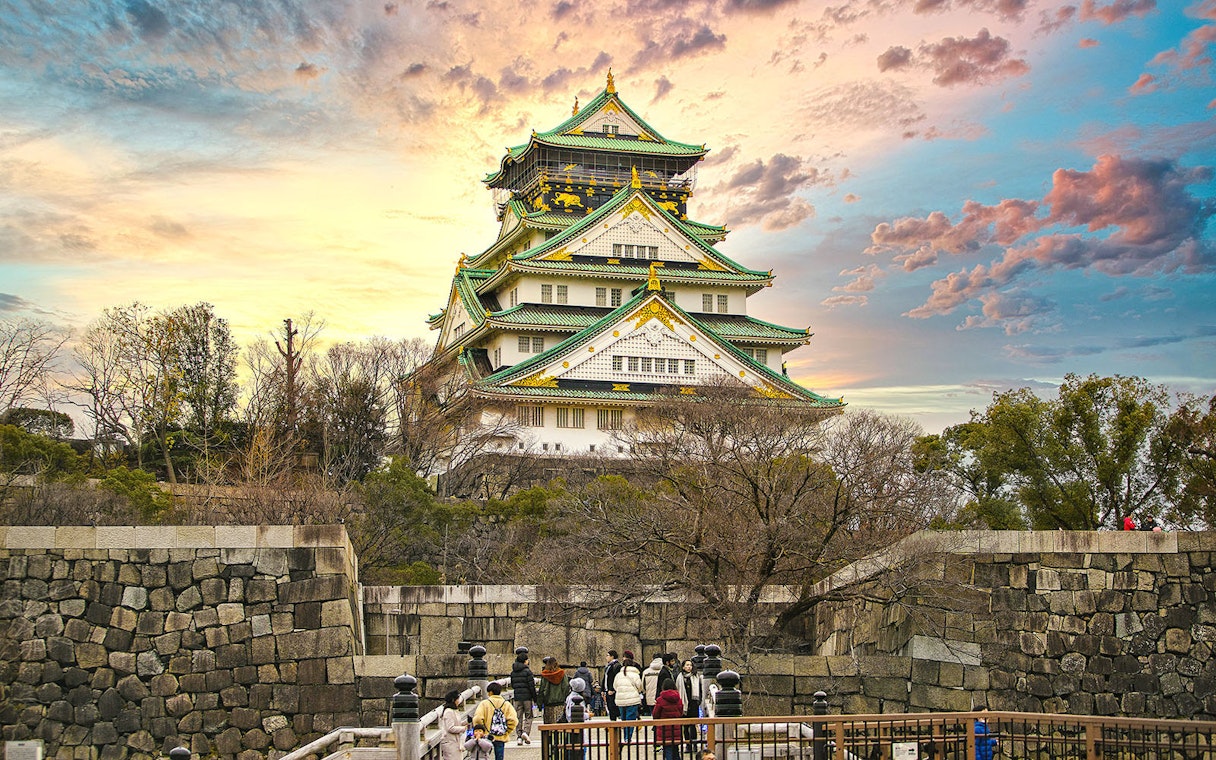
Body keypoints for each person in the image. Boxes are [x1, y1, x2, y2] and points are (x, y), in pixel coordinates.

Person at [473, 682, 518, 760]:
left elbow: (478, 718)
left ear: (490, 692)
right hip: (501, 735)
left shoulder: (484, 704)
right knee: (499, 757)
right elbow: (513, 720)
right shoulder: (506, 704)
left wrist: (481, 731)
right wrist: (507, 731)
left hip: (487, 736)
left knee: (484, 756)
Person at [613, 651, 644, 741]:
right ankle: (628, 737)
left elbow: (615, 686)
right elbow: (640, 687)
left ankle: (625, 736)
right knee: (630, 719)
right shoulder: (635, 675)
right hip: (632, 700)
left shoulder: (618, 675)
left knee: (623, 719)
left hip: (621, 700)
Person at [651, 678, 684, 760]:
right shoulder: (678, 699)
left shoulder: (660, 700)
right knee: (676, 750)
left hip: (664, 728)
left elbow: (655, 714)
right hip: (676, 727)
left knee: (668, 750)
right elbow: (681, 713)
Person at [511, 651, 539, 744]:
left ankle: (519, 736)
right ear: (525, 661)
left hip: (517, 697)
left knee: (518, 716)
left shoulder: (513, 672)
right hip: (527, 697)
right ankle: (525, 733)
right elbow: (532, 686)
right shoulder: (528, 672)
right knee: (528, 715)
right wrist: (535, 698)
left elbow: (513, 685)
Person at [674, 659, 701, 751]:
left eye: (690, 665)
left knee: (693, 725)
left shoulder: (696, 677)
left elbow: (700, 691)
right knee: (685, 726)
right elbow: (677, 690)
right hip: (683, 704)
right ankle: (687, 745)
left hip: (693, 703)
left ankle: (694, 744)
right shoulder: (679, 678)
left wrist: (699, 702)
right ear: (683, 667)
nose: (689, 667)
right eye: (687, 665)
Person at [538, 656, 572, 726]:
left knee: (548, 727)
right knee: (560, 727)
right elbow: (566, 688)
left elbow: (541, 690)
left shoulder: (545, 675)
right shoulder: (562, 674)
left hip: (548, 705)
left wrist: (540, 704)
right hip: (560, 704)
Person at [439, 690, 467, 760]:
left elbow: (457, 723)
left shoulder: (453, 710)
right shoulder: (448, 711)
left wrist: (467, 721)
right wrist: (463, 728)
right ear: (453, 700)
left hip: (455, 742)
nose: (459, 701)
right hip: (451, 743)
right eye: (457, 699)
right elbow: (450, 728)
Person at [603, 650, 622, 721]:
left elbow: (616, 678)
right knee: (610, 708)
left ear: (612, 656)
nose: (606, 657)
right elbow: (605, 678)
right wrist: (603, 689)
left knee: (613, 708)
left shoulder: (617, 666)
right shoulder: (608, 666)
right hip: (607, 690)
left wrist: (613, 689)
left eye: (607, 655)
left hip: (612, 691)